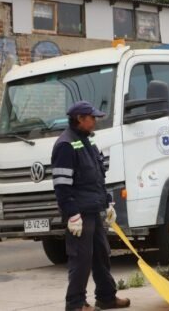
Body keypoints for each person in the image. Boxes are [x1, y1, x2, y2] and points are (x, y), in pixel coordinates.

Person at [51, 101, 130, 311]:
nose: (95, 121)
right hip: (80, 213)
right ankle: (76, 304)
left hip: (94, 209)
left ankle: (106, 297)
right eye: (92, 117)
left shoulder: (88, 142)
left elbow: (96, 177)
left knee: (101, 255)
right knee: (81, 260)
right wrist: (72, 214)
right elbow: (61, 185)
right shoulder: (65, 145)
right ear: (80, 119)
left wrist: (107, 203)